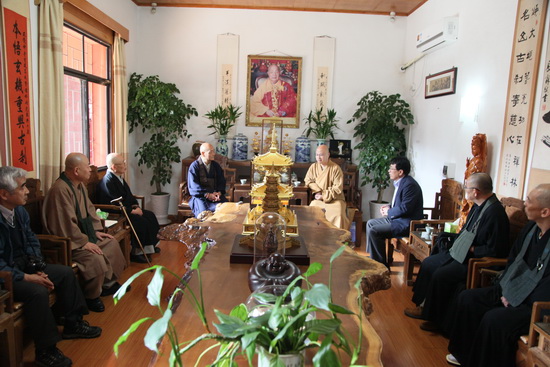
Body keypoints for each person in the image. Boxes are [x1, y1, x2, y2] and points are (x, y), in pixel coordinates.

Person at [0, 166, 101, 367]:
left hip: (23, 266)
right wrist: (26, 277)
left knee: (64, 273)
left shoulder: (19, 211)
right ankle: (45, 350)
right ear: (4, 194)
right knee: (37, 292)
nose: (27, 191)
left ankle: (73, 323)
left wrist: (36, 265)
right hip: (6, 277)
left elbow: (31, 240)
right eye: (22, 187)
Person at [446, 184, 550, 367]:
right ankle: (464, 354)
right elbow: (513, 259)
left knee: (494, 320)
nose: (524, 204)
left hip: (534, 305)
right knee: (467, 298)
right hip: (512, 289)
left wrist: (515, 298)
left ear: (545, 212)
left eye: (529, 201)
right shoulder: (531, 229)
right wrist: (507, 290)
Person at [404, 173, 510, 335]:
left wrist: (473, 250)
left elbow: (495, 250)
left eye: (467, 187)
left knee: (441, 274)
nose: (465, 190)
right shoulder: (477, 205)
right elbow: (466, 231)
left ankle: (434, 318)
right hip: (463, 252)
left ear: (475, 192)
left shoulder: (495, 213)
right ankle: (423, 305)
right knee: (429, 263)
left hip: (476, 260)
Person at [42, 153, 126, 313]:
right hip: (67, 242)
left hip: (81, 236)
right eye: (87, 166)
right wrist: (84, 242)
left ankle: (107, 284)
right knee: (94, 257)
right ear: (76, 170)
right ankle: (91, 297)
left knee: (111, 243)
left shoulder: (79, 185)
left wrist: (95, 232)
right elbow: (64, 225)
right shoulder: (60, 190)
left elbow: (89, 210)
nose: (91, 169)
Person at [96, 153, 160, 263]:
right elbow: (114, 203)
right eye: (122, 163)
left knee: (150, 215)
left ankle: (150, 247)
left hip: (127, 208)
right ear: (114, 167)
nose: (125, 165)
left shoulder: (118, 177)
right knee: (141, 222)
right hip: (115, 212)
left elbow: (129, 195)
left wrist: (135, 205)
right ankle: (137, 253)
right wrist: (132, 211)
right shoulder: (108, 181)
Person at [366, 157, 424, 267]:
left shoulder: (410, 185)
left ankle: (380, 265)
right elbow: (401, 205)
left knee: (374, 230)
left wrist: (389, 211)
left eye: (391, 168)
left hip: (406, 223)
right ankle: (374, 258)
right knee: (370, 223)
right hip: (398, 219)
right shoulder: (401, 182)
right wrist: (390, 207)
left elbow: (406, 208)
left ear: (400, 172)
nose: (389, 171)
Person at [304, 145, 349, 229]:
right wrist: (317, 191)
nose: (319, 157)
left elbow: (338, 188)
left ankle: (336, 240)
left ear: (328, 155)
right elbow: (308, 181)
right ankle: (315, 238)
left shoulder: (336, 168)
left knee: (338, 214)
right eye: (317, 155)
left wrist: (323, 195)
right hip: (318, 198)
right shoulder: (313, 167)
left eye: (321, 155)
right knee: (311, 210)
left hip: (335, 199)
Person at [188, 143, 228, 217]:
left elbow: (221, 181)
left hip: (216, 197)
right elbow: (193, 187)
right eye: (211, 152)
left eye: (214, 151)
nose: (214, 154)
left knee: (226, 210)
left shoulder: (216, 165)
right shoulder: (194, 166)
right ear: (203, 153)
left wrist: (218, 192)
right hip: (201, 197)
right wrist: (207, 195)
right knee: (204, 214)